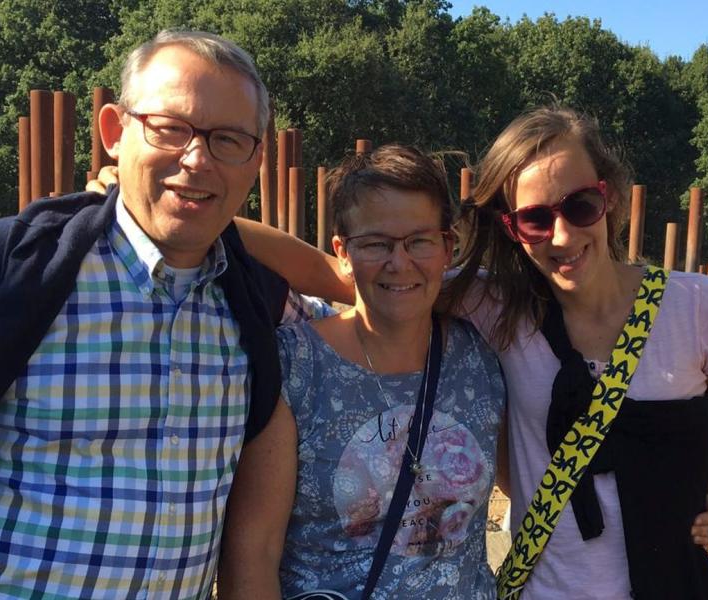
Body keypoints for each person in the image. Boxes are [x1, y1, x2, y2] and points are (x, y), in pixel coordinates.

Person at [0, 29, 333, 598]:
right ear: (115, 131)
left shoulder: (258, 306)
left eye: (228, 139)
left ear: (256, 159)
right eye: (170, 128)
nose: (196, 158)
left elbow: (375, 300)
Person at [446, 106, 708, 599]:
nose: (564, 236)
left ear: (608, 196)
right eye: (535, 219)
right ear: (510, 228)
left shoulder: (700, 308)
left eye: (580, 205)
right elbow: (366, 280)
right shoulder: (497, 308)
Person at [217, 145, 507, 599]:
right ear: (343, 252)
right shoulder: (297, 366)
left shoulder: (482, 354)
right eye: (376, 243)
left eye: (419, 240)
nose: (399, 262)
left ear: (447, 246)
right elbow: (253, 551)